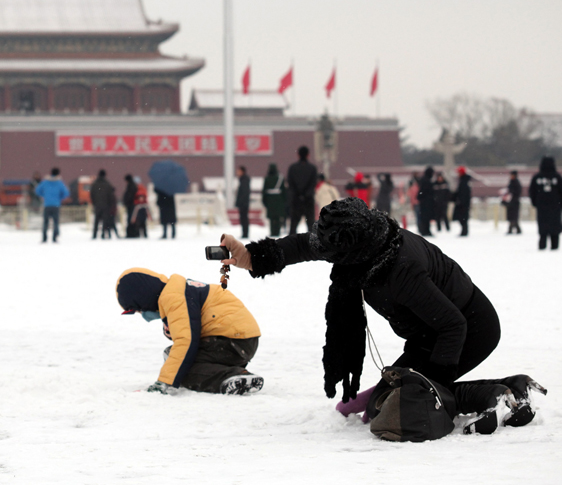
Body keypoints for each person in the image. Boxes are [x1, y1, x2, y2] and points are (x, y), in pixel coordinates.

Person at [220, 197, 545, 433]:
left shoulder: (402, 271)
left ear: (353, 255)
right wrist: (251, 257)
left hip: (470, 328)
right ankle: (496, 389)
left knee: (415, 400)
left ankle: (500, 396)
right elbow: (302, 245)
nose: (326, 256)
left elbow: (453, 325)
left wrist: (435, 387)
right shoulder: (357, 239)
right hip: (426, 333)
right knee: (374, 406)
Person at [116, 268, 263, 395]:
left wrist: (164, 381)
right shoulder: (177, 290)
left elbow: (186, 341)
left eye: (139, 310)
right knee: (172, 356)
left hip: (233, 342)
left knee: (183, 371)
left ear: (143, 297)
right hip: (239, 340)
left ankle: (231, 376)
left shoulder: (173, 298)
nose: (143, 314)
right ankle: (228, 372)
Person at [529, 156, 562, 250]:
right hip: (555, 207)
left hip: (542, 207)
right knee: (554, 229)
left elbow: (532, 192)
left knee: (543, 229)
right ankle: (554, 246)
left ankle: (542, 246)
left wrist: (536, 203)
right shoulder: (557, 177)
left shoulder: (537, 177)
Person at [287, 145, 318, 234]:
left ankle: (291, 245)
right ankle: (312, 245)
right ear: (308, 155)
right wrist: (306, 194)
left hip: (296, 200)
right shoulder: (312, 168)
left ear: (298, 155)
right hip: (308, 200)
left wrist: (298, 194)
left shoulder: (292, 168)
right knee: (311, 225)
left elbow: (290, 183)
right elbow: (313, 184)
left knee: (293, 225)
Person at [35, 167, 70, 243]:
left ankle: (44, 238)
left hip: (47, 205)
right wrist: (60, 198)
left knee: (45, 222)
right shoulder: (60, 183)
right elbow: (66, 193)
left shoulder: (45, 182)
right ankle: (55, 237)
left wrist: (43, 196)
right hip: (56, 205)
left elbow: (37, 190)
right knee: (56, 222)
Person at [261, 164, 287, 237]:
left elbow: (264, 191)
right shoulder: (280, 178)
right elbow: (284, 190)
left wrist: (264, 201)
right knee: (278, 217)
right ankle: (277, 231)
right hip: (279, 199)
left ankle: (272, 232)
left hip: (270, 199)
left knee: (272, 217)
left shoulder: (267, 178)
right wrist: (284, 200)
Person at [90, 169, 115, 240]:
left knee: (96, 221)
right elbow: (111, 196)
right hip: (106, 206)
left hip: (97, 205)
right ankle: (103, 234)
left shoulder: (94, 184)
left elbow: (92, 194)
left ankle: (94, 234)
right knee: (105, 221)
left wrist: (94, 202)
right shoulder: (108, 184)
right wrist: (110, 204)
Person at [416, 166, 436, 237]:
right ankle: (425, 230)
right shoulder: (427, 181)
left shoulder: (425, 180)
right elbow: (424, 191)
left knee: (424, 217)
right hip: (426, 203)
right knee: (425, 217)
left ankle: (425, 230)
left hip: (425, 202)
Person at [452, 166, 472, 237]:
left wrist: (461, 202)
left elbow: (463, 194)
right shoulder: (464, 181)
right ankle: (464, 231)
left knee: (463, 218)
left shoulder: (463, 182)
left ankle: (464, 232)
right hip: (463, 204)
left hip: (463, 205)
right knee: (462, 218)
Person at [235, 166, 251, 239]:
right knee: (243, 218)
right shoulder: (243, 180)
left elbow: (244, 193)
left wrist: (241, 202)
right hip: (244, 203)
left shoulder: (244, 180)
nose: (237, 173)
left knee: (244, 218)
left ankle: (245, 233)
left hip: (243, 204)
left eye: (238, 171)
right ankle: (244, 233)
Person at [505, 171, 522, 235]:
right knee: (512, 217)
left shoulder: (516, 183)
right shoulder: (512, 182)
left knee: (513, 216)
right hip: (511, 202)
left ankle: (513, 229)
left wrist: (511, 196)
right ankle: (515, 229)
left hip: (514, 202)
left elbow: (516, 193)